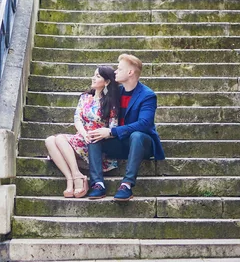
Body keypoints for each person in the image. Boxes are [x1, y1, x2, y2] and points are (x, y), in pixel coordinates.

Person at [87, 53, 165, 201]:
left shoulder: (147, 95)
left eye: (119, 69)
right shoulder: (115, 92)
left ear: (130, 72)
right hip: (119, 142)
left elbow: (144, 124)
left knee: (137, 135)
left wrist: (111, 131)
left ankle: (127, 184)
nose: (115, 71)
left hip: (141, 144)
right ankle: (97, 183)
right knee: (95, 135)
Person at [45, 66, 120, 198]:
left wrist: (99, 135)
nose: (93, 78)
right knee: (49, 140)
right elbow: (77, 118)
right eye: (94, 75)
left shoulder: (111, 102)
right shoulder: (85, 97)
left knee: (60, 139)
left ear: (107, 82)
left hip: (95, 143)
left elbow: (113, 126)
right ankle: (73, 177)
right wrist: (84, 133)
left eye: (97, 76)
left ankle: (76, 178)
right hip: (82, 137)